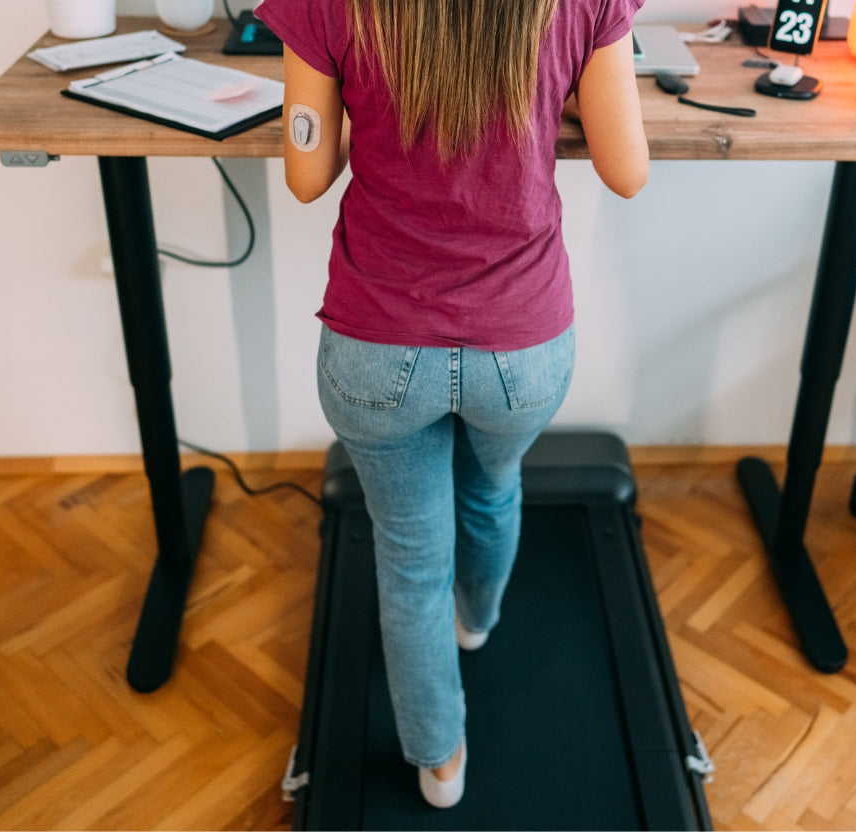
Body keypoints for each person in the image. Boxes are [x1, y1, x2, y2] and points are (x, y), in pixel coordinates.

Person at [254, 0, 648, 809]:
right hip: (523, 351)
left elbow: (304, 176)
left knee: (408, 558)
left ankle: (439, 763)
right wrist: (557, 88)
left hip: (376, 349)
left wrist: (374, 105)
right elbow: (626, 170)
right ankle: (477, 619)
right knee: (493, 483)